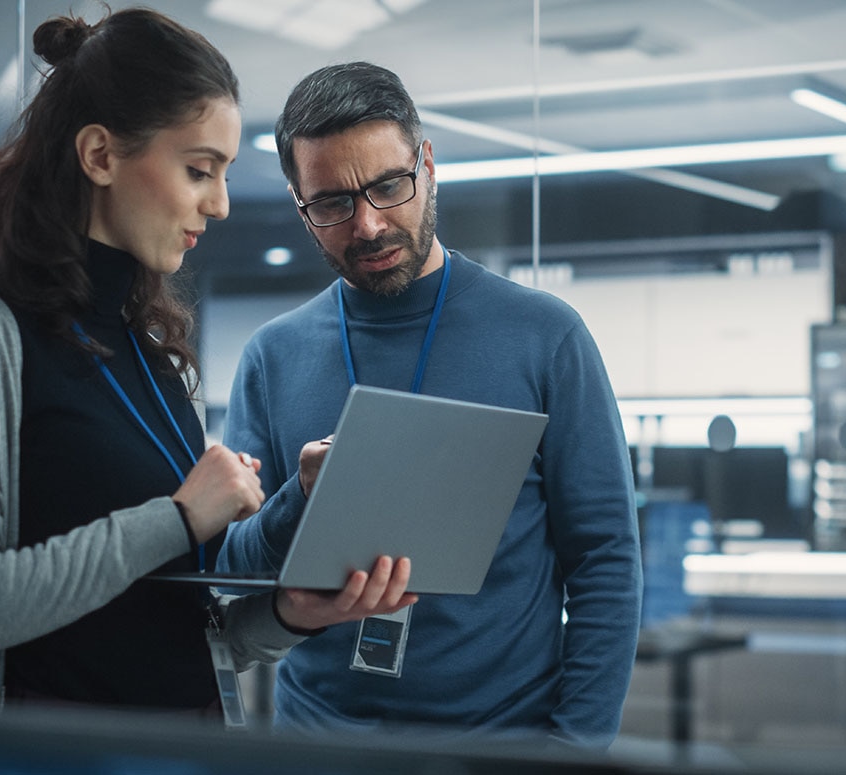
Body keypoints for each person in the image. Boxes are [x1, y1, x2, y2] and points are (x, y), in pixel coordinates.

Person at [0, 11, 414, 717]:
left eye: (223, 174)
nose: (221, 203)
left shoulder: (159, 358)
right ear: (100, 155)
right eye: (200, 170)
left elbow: (187, 627)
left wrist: (291, 611)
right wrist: (175, 518)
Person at [216, 61, 642, 748]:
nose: (369, 224)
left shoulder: (544, 336)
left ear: (428, 165)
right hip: (320, 748)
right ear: (299, 203)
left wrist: (576, 750)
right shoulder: (274, 356)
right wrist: (301, 495)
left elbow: (606, 560)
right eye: (331, 203)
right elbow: (235, 568)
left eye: (389, 185)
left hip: (503, 746)